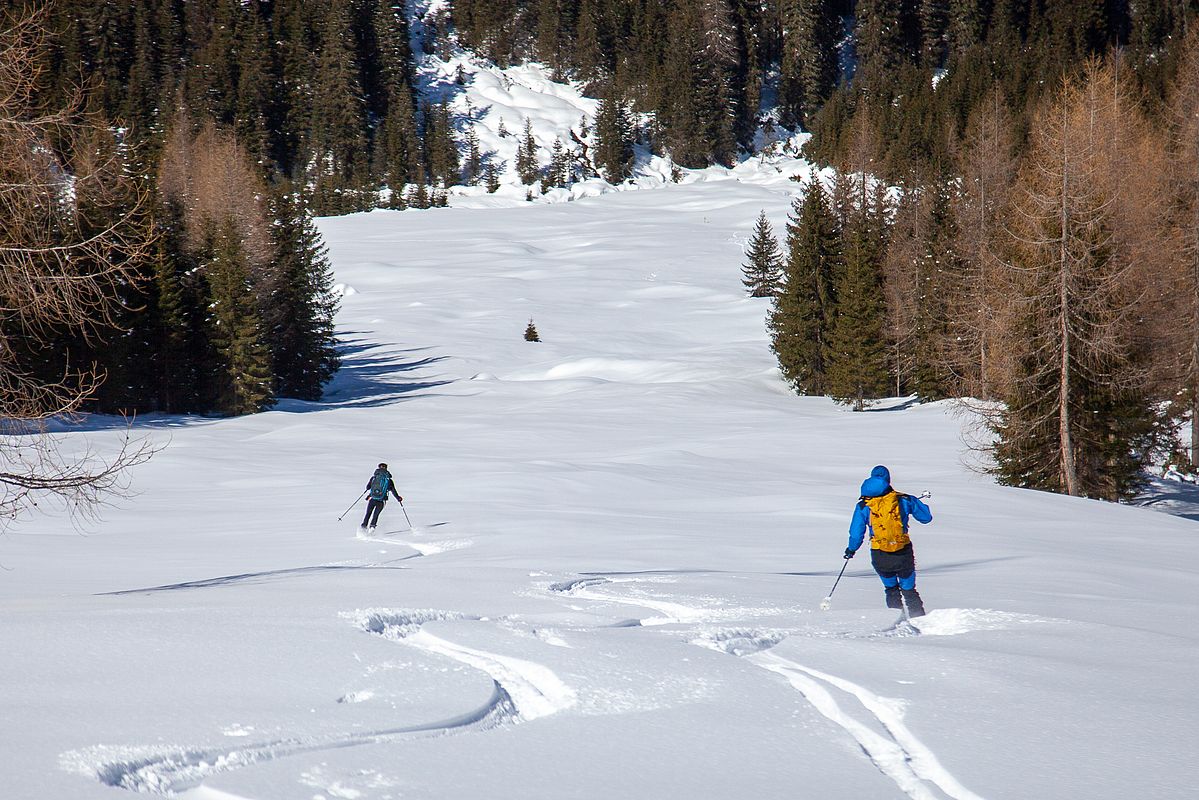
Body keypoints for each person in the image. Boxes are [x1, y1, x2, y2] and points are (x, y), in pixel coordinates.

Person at [843, 465, 932, 617]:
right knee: (909, 590)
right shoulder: (903, 499)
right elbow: (926, 518)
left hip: (880, 554)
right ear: (888, 480)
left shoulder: (864, 505)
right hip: (903, 552)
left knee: (891, 590)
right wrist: (916, 504)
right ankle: (920, 622)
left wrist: (851, 549)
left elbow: (857, 533)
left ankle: (897, 623)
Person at [360, 463, 402, 531]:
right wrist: (398, 498)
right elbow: (393, 490)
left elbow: (368, 487)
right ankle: (372, 528)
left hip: (372, 499)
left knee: (368, 513)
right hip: (381, 500)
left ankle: (363, 527)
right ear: (386, 468)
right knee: (376, 515)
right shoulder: (389, 480)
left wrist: (369, 495)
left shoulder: (374, 478)